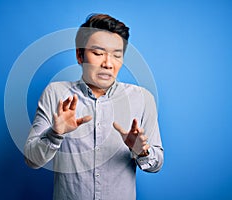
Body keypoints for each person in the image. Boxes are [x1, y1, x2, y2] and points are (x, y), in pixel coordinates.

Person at [24, 13, 164, 200]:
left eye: (116, 55)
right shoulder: (56, 93)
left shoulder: (142, 98)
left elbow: (157, 164)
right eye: (98, 53)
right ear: (79, 55)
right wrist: (55, 134)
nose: (108, 63)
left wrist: (142, 151)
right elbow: (31, 160)